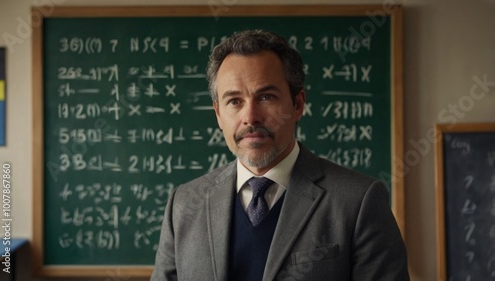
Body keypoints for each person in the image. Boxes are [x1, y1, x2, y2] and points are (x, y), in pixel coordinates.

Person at [151, 29, 409, 281]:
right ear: (218, 113)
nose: (250, 117)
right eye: (234, 101)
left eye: (266, 97)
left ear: (297, 105)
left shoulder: (359, 201)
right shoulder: (184, 204)